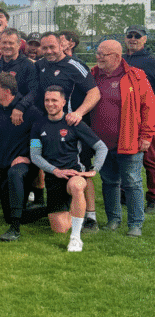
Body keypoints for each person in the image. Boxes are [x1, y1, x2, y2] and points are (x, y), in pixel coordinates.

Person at [89, 39, 155, 237]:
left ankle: (135, 224)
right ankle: (113, 220)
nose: (99, 57)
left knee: (132, 183)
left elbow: (149, 107)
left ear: (117, 57)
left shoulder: (136, 76)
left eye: (103, 54)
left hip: (129, 141)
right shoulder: (93, 75)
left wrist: (147, 136)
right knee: (109, 182)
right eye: (98, 53)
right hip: (102, 143)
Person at [30, 85, 107, 252]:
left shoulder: (74, 122)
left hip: (74, 173)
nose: (50, 104)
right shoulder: (38, 125)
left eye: (54, 100)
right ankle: (74, 211)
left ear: (63, 102)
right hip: (54, 177)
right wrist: (55, 170)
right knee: (59, 229)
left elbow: (101, 147)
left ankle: (76, 238)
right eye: (47, 100)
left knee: (77, 186)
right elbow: (35, 155)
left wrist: (94, 170)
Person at [0, 73, 43, 240]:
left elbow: (41, 138)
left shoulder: (31, 112)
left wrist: (29, 157)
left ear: (7, 91)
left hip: (21, 169)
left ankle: (16, 228)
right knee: (8, 215)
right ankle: (50, 209)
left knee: (15, 173)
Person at [122, 25, 155, 214]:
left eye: (137, 36)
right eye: (130, 35)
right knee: (123, 156)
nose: (133, 39)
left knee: (150, 159)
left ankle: (153, 197)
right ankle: (124, 193)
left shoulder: (151, 61)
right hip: (125, 117)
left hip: (147, 117)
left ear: (144, 39)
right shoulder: (120, 60)